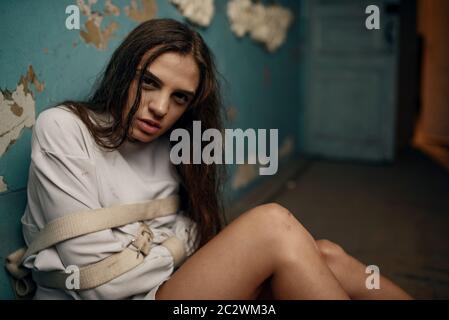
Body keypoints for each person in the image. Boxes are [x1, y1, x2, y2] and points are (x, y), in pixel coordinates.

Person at [21, 18, 412, 300]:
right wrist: (173, 246)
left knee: (324, 253)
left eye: (179, 97)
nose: (159, 108)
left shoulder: (176, 144)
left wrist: (151, 251)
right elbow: (102, 282)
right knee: (272, 224)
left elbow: (195, 237)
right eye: (149, 82)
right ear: (124, 72)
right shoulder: (65, 129)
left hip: (171, 289)